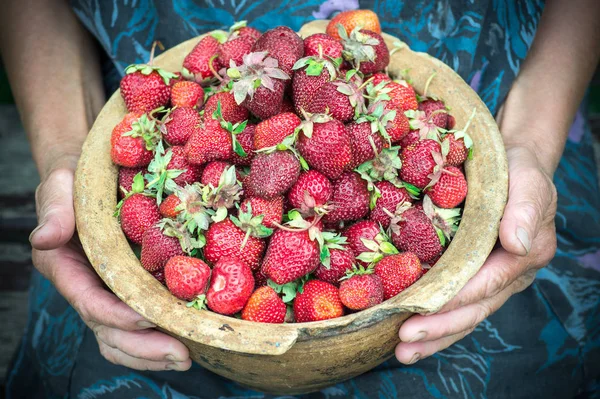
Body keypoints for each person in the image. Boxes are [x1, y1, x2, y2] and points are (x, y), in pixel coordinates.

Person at [2, 0, 599, 397]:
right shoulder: (208, 123)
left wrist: (528, 143)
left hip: (502, 115)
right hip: (156, 143)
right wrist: (65, 155)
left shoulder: (378, 142)